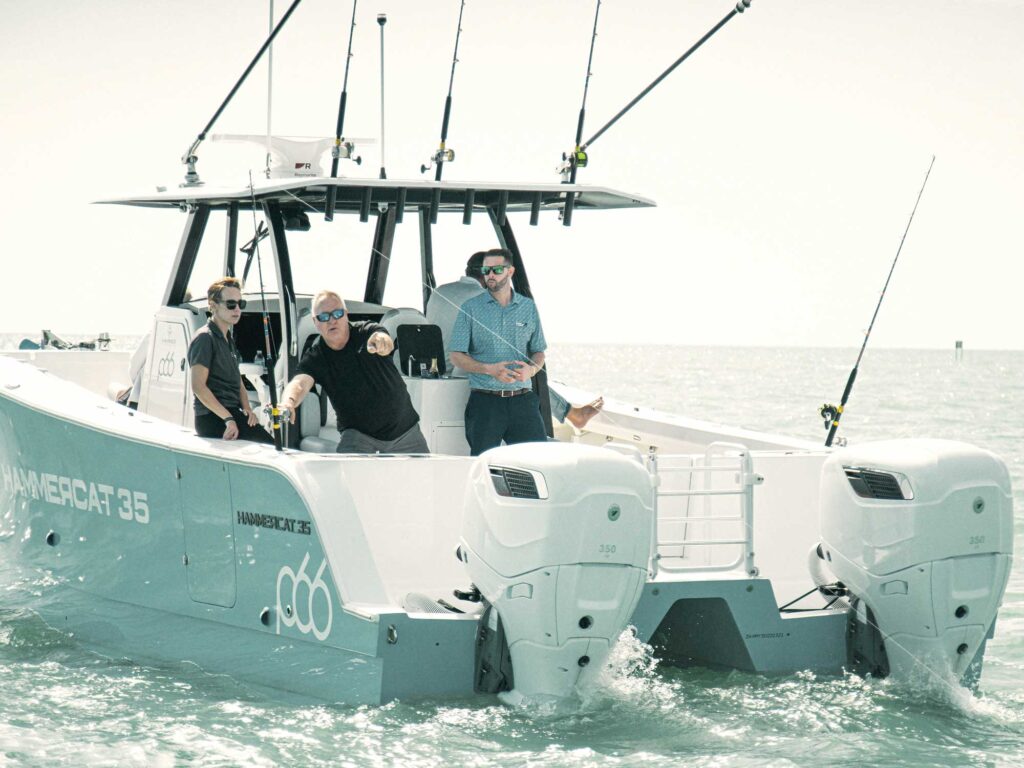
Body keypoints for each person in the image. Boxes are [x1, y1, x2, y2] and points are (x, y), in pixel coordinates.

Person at [428, 252, 603, 430]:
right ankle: (572, 414)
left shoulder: (440, 291)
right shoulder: (481, 300)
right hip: (464, 372)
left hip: (436, 370)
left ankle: (569, 413)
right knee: (517, 370)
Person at [281, 290, 429, 454]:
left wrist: (381, 343)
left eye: (337, 314)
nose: (332, 321)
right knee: (346, 479)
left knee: (425, 479)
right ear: (315, 322)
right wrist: (288, 402)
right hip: (358, 437)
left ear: (346, 314)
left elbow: (384, 340)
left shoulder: (367, 331)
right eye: (324, 317)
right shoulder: (317, 357)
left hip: (405, 432)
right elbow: (300, 383)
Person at [449, 248, 551, 456]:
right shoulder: (470, 308)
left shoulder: (528, 307)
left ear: (510, 271)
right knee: (482, 467)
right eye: (486, 270)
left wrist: (531, 371)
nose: (490, 275)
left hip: (523, 402)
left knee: (537, 461)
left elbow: (539, 351)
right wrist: (489, 369)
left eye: (496, 269)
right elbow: (456, 355)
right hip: (486, 404)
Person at [188, 277, 273, 443]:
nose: (237, 310)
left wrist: (247, 408)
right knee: (269, 446)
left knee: (269, 445)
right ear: (212, 305)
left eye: (240, 304)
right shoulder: (205, 338)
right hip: (211, 417)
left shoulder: (228, 339)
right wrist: (228, 419)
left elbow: (238, 380)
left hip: (232, 412)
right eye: (231, 304)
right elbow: (198, 386)